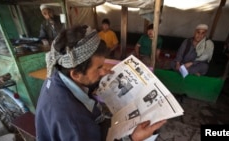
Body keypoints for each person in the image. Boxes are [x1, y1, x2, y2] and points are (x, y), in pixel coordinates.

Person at [35, 25, 166, 141]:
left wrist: (97, 80)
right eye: (99, 67)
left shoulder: (56, 73)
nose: (104, 72)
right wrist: (133, 138)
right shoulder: (75, 122)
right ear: (76, 74)